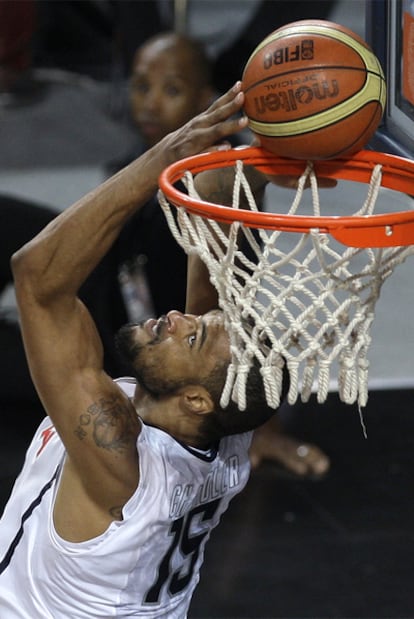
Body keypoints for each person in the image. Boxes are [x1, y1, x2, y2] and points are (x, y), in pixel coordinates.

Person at [0, 82, 286, 618]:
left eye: (193, 336)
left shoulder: (119, 462)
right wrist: (262, 146)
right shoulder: (220, 420)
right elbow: (217, 213)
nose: (179, 318)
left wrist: (161, 158)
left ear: (197, 399)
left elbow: (37, 278)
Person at [0, 31, 330, 478]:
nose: (151, 103)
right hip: (119, 291)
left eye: (171, 90)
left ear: (204, 98)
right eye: (141, 86)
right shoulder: (142, 155)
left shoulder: (217, 202)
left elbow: (232, 314)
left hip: (141, 347)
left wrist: (256, 430)